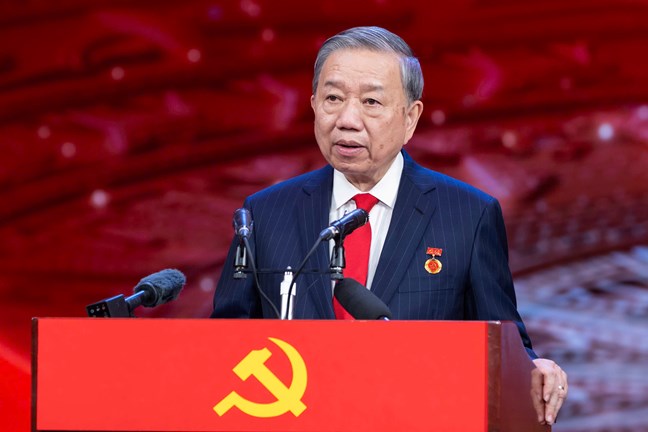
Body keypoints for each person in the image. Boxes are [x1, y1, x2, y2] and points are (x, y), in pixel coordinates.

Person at [211, 26, 567, 425]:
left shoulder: (468, 215)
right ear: (313, 105)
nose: (347, 120)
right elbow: (224, 344)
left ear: (410, 118)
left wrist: (536, 370)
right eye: (333, 98)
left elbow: (504, 343)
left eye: (371, 102)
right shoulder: (265, 213)